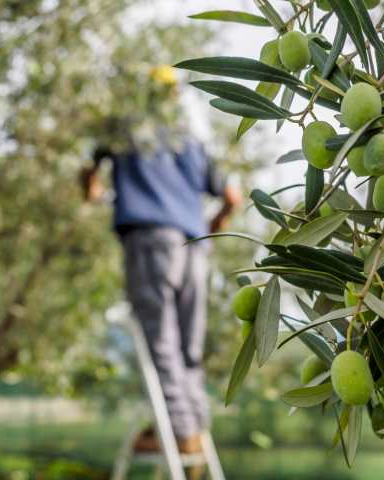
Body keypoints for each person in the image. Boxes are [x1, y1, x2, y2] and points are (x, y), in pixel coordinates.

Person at [81, 65, 241, 454]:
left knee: (163, 342)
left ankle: (183, 434)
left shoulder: (126, 129)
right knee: (189, 347)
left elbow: (89, 171)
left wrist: (93, 191)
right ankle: (193, 430)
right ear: (174, 96)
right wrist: (211, 227)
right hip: (194, 246)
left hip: (152, 241)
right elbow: (233, 197)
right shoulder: (190, 140)